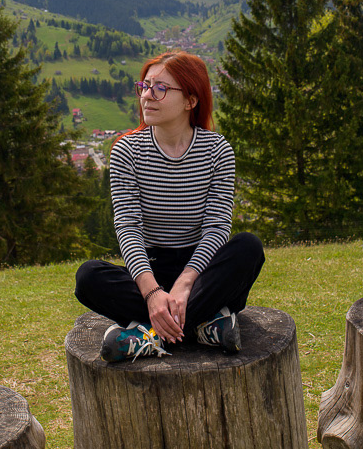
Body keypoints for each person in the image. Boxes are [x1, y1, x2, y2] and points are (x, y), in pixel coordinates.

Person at [75, 50, 265, 362]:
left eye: (160, 88)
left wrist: (185, 285)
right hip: (150, 269)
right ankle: (205, 324)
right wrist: (152, 293)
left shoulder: (217, 151)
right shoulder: (127, 151)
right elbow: (128, 228)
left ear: (191, 100)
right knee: (88, 277)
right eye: (145, 86)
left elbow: (217, 228)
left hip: (202, 272)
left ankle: (149, 336)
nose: (147, 96)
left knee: (249, 248)